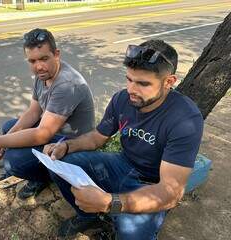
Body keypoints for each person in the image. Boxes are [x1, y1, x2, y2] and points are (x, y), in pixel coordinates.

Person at [43, 39, 204, 239]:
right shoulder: (122, 99)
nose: (131, 90)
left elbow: (171, 193)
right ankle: (87, 215)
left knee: (132, 232)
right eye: (128, 79)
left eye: (143, 83)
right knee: (60, 164)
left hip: (152, 184)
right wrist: (66, 145)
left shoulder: (185, 119)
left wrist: (110, 202)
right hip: (122, 163)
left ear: (169, 82)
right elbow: (96, 138)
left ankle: (111, 216)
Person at [0, 28, 95, 199]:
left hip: (73, 143)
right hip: (56, 131)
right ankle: (37, 170)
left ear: (56, 54)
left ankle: (44, 178)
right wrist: (6, 139)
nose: (38, 66)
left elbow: (42, 135)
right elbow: (33, 112)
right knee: (9, 127)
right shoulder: (43, 75)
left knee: (13, 163)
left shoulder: (67, 85)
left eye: (44, 58)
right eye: (32, 61)